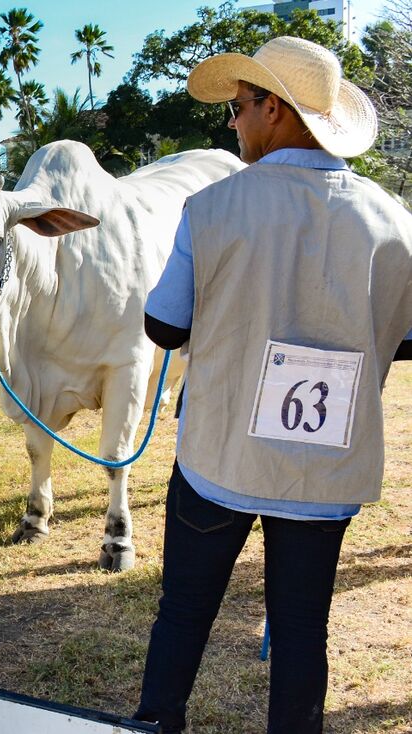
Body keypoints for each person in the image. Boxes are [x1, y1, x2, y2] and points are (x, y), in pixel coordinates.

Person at [134, 36, 412, 733]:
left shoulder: (213, 206)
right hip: (326, 472)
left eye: (239, 107)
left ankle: (156, 724)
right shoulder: (394, 221)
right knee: (300, 630)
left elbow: (164, 328)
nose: (233, 122)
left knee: (184, 614)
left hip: (218, 456)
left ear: (275, 110)